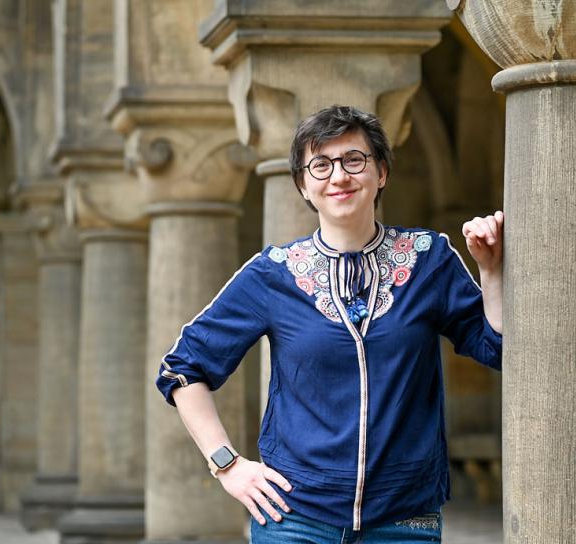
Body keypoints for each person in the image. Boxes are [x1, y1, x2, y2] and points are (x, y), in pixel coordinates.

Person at [155, 105, 504, 543]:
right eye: (320, 165)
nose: (339, 176)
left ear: (381, 173)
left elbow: (497, 348)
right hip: (294, 518)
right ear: (303, 184)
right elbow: (182, 369)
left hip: (404, 520)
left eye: (354, 160)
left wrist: (491, 273)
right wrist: (227, 464)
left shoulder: (428, 259)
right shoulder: (272, 274)